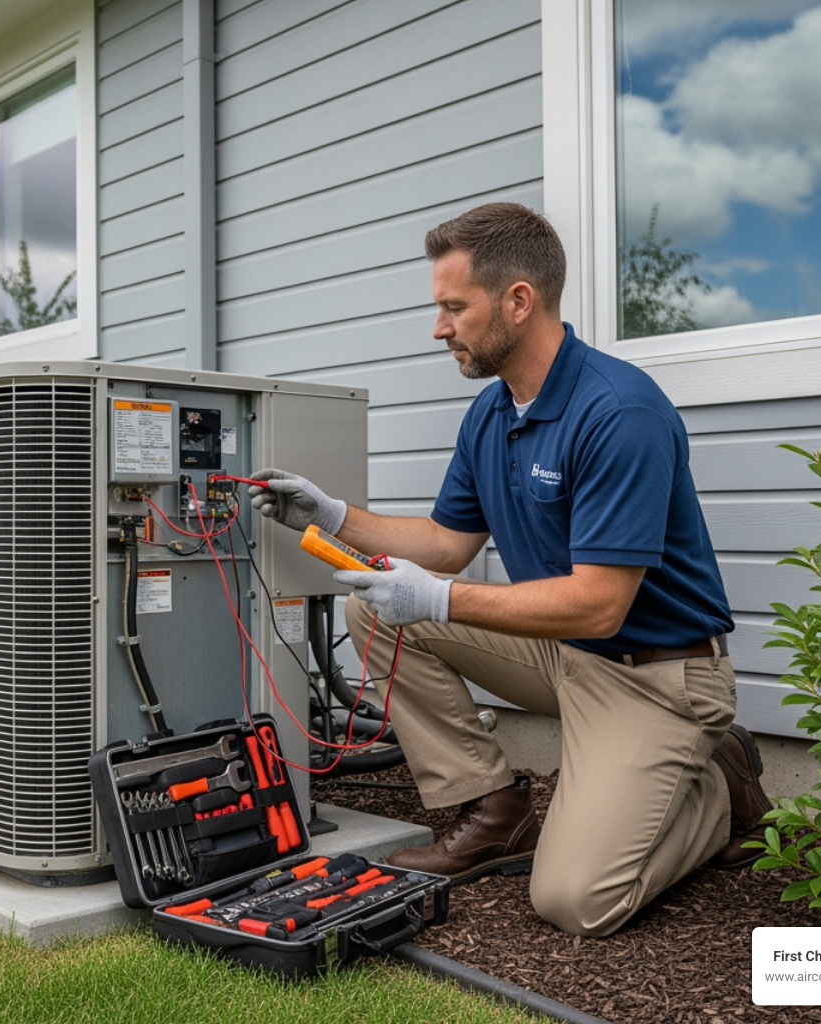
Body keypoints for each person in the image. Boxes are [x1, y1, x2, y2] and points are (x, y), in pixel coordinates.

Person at [248, 202, 772, 938]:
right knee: (375, 608)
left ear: (518, 301)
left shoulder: (619, 412)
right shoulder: (493, 414)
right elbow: (444, 543)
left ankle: (718, 785)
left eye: (454, 307)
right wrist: (332, 515)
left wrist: (439, 599)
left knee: (576, 902)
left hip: (654, 674)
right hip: (567, 657)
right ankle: (496, 810)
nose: (439, 327)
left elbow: (598, 607)